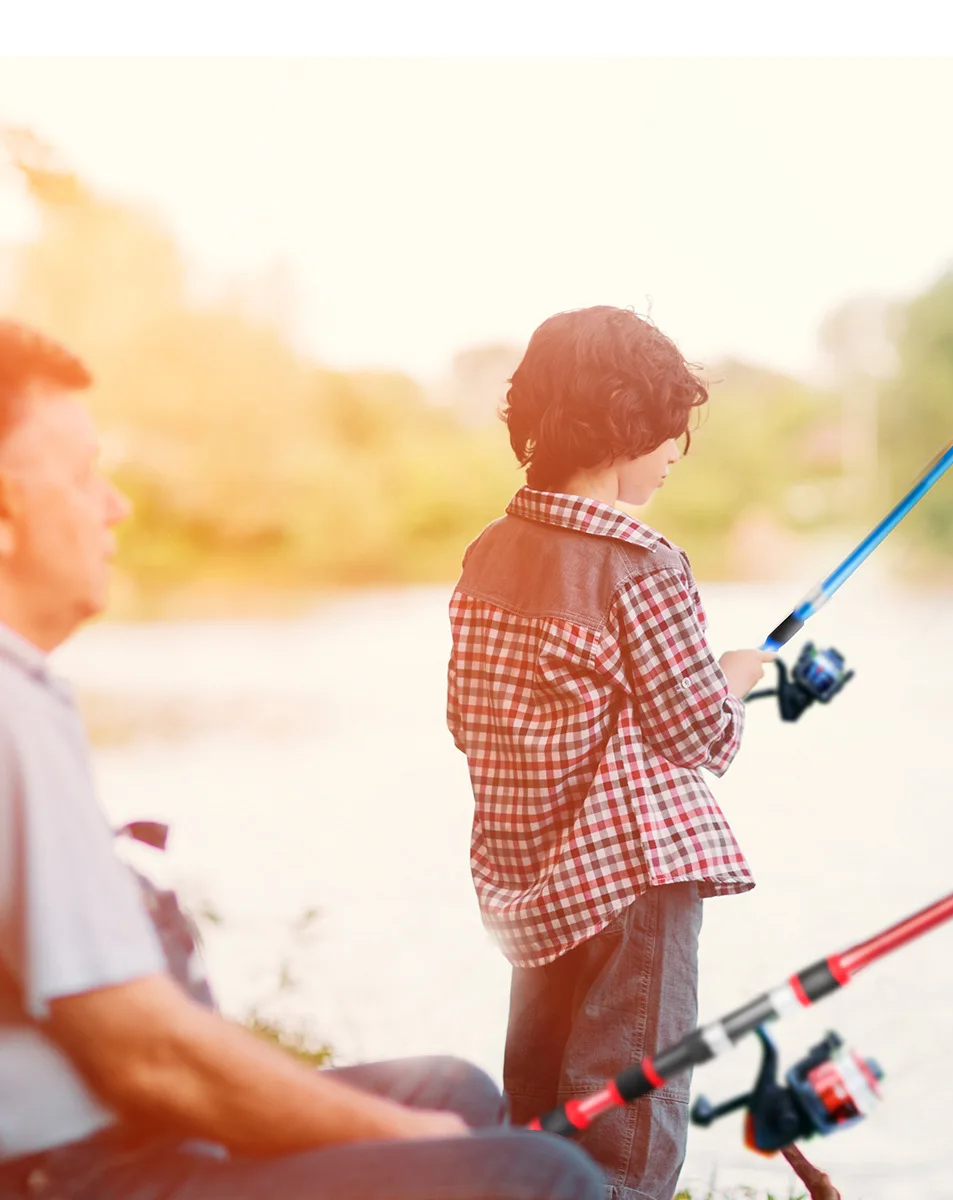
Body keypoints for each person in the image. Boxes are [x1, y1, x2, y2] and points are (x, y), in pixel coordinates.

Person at [0, 318, 604, 1200]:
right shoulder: (11, 702)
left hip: (102, 1131)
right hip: (81, 1170)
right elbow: (144, 1052)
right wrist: (404, 1140)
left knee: (457, 1091)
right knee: (533, 1175)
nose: (115, 506)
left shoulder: (26, 690)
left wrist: (412, 1128)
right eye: (84, 474)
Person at [446, 306, 776, 1200]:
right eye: (670, 426)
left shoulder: (489, 554)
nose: (676, 449)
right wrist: (735, 676)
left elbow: (487, 713)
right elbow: (698, 734)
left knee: (537, 1115)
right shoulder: (644, 563)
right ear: (624, 424)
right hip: (632, 881)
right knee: (625, 1128)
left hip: (530, 878)